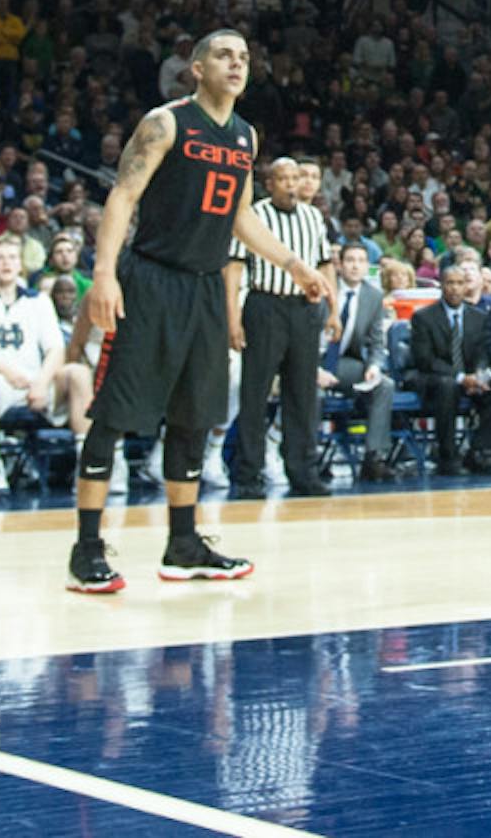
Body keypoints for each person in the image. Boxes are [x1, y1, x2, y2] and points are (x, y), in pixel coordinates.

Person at [69, 31, 326, 594]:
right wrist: (105, 274)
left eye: (244, 57)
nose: (237, 64)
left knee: (194, 414)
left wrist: (295, 264)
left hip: (208, 288)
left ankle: (183, 544)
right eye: (225, 55)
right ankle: (87, 547)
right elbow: (122, 197)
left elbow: (240, 217)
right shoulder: (165, 123)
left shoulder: (244, 136)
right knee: (114, 413)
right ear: (196, 66)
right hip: (152, 279)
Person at [228, 157, 337, 499]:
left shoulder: (313, 216)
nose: (291, 184)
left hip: (305, 309)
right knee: (255, 392)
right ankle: (248, 475)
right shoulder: (253, 215)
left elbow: (323, 264)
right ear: (269, 183)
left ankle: (303, 472)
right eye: (283, 178)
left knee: (303, 394)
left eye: (296, 177)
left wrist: (333, 310)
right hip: (265, 305)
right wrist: (232, 318)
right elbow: (232, 268)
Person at [0, 237, 92, 485]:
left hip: (36, 382)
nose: (6, 263)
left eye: (12, 258)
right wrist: (7, 371)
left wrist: (41, 382)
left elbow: (55, 349)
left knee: (78, 373)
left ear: (21, 265)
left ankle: (87, 464)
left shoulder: (38, 300)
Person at [406, 260, 491, 475]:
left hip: (469, 377)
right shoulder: (423, 317)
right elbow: (425, 360)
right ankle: (447, 455)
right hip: (433, 378)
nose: (455, 288)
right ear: (441, 286)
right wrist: (461, 377)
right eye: (449, 283)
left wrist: (479, 376)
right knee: (448, 386)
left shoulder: (479, 317)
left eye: (459, 283)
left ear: (467, 286)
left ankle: (481, 452)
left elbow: (483, 353)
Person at [322, 240, 397, 483]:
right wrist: (314, 369)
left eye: (361, 261)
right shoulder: (324, 289)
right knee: (306, 389)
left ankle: (374, 458)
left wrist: (374, 366)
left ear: (368, 266)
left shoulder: (373, 296)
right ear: (339, 265)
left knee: (384, 385)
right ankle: (309, 457)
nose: (355, 266)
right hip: (316, 362)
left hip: (347, 364)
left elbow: (377, 341)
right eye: (350, 260)